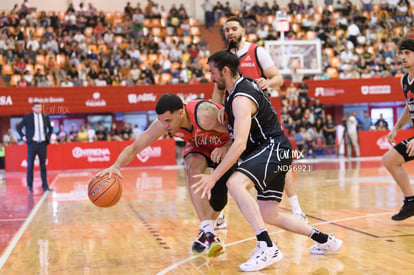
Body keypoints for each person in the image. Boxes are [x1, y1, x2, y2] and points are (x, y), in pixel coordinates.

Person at [193, 50, 343, 272]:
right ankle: (325, 240)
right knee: (269, 214)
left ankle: (267, 247)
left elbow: (241, 144)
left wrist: (213, 177)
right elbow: (238, 133)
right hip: (276, 149)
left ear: (225, 70)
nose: (210, 76)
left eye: (212, 71)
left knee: (234, 183)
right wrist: (225, 141)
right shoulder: (237, 89)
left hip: (272, 147)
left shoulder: (241, 97)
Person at [95, 94, 235, 257]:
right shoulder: (162, 124)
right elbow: (135, 147)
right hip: (198, 146)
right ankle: (208, 231)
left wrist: (227, 145)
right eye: (162, 121)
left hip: (222, 145)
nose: (165, 125)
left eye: (168, 120)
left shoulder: (204, 115)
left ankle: (210, 226)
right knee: (192, 169)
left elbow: (239, 129)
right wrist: (116, 165)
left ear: (181, 113)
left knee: (219, 199)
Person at [212, 16, 307, 222]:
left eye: (234, 29)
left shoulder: (256, 51)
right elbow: (217, 92)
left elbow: (278, 78)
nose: (230, 33)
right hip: (236, 115)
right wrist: (219, 108)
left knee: (281, 160)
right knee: (227, 157)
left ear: (243, 30)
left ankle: (296, 207)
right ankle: (219, 213)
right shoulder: (223, 60)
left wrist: (268, 82)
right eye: (227, 30)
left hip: (262, 115)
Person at [383, 38, 414, 221]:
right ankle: (411, 201)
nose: (403, 57)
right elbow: (409, 106)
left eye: (407, 53)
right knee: (390, 159)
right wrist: (396, 127)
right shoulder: (405, 80)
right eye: (401, 53)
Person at [16, 101, 54, 194]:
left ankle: (45, 186)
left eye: (40, 107)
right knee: (30, 166)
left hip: (42, 144)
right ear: (33, 108)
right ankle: (30, 186)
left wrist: (48, 136)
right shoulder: (28, 117)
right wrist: (23, 136)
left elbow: (50, 128)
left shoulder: (45, 116)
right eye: (36, 107)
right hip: (32, 144)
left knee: (43, 166)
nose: (38, 109)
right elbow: (18, 128)